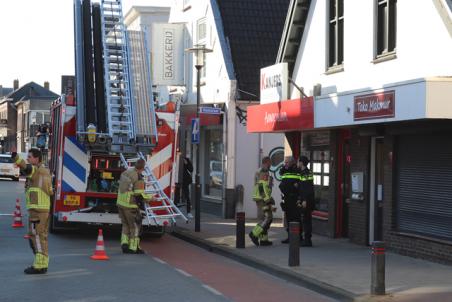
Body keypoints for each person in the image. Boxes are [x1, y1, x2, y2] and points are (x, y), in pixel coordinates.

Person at [12, 147, 53, 274]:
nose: (28, 159)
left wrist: (16, 157)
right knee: (42, 237)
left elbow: (26, 167)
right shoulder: (45, 171)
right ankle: (43, 263)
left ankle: (39, 266)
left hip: (37, 210)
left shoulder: (36, 170)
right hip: (44, 209)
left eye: (29, 157)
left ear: (36, 158)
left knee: (35, 236)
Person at [117, 159, 151, 254]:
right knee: (134, 227)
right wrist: (151, 198)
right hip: (130, 205)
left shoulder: (127, 171)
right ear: (143, 168)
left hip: (120, 203)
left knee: (125, 224)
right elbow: (139, 194)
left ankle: (124, 243)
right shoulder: (138, 177)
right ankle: (133, 247)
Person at [249, 156, 275, 246]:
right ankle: (254, 234)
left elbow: (265, 187)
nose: (271, 164)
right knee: (268, 218)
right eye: (270, 163)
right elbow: (261, 187)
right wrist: (267, 200)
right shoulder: (263, 172)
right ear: (266, 163)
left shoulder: (262, 171)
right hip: (262, 199)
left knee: (265, 218)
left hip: (262, 198)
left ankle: (264, 240)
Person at [279, 156, 302, 244]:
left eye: (287, 162)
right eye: (285, 162)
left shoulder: (297, 171)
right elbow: (283, 181)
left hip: (294, 198)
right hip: (287, 197)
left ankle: (298, 237)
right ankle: (290, 237)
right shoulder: (284, 170)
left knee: (296, 218)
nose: (285, 164)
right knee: (288, 218)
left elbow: (299, 185)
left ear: (292, 162)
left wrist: (294, 187)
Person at [298, 156, 315, 247]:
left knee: (306, 220)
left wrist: (304, 200)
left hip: (307, 200)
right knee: (306, 219)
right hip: (307, 199)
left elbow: (307, 188)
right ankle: (307, 239)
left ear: (301, 163)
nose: (297, 163)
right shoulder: (305, 172)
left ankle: (307, 240)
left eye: (298, 161)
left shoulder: (305, 173)